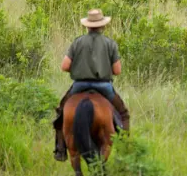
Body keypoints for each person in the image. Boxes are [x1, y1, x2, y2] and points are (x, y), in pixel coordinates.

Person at [52, 9, 130, 162]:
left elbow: (64, 66)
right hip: (103, 86)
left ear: (87, 26)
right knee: (123, 114)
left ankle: (60, 149)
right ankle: (126, 150)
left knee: (61, 114)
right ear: (102, 26)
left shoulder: (78, 42)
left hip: (79, 86)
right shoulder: (110, 43)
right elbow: (117, 70)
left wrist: (79, 67)